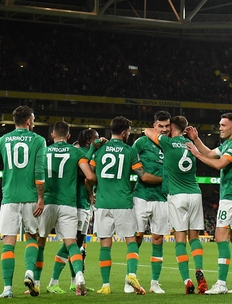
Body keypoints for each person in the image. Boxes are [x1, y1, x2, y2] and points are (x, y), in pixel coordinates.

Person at [0, 105, 47, 299]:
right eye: (34, 119)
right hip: (30, 198)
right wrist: (40, 198)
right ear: (28, 121)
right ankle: (30, 272)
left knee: (8, 242)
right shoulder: (39, 140)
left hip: (9, 199)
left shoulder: (2, 141)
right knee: (32, 237)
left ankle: (7, 289)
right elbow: (39, 172)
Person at [88, 116, 158, 295]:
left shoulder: (99, 149)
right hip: (124, 203)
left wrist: (92, 193)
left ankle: (105, 285)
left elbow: (89, 174)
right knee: (131, 241)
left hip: (102, 202)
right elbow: (143, 176)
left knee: (105, 244)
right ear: (125, 132)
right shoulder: (129, 151)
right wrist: (165, 179)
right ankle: (132, 274)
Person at [185, 112, 232, 295]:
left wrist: (196, 154)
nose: (219, 128)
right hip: (230, 195)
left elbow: (219, 164)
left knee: (221, 237)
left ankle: (221, 284)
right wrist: (197, 140)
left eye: (223, 125)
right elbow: (210, 153)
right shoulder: (228, 144)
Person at [144, 115, 205, 295]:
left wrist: (158, 130)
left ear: (172, 128)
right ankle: (199, 270)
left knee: (180, 239)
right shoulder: (191, 145)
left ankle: (187, 280)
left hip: (177, 196)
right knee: (194, 238)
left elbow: (148, 132)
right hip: (195, 193)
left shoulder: (167, 143)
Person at [34, 121, 95, 295]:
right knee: (72, 243)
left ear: (52, 135)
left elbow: (36, 176)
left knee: (41, 242)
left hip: (47, 202)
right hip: (68, 204)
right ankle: (79, 276)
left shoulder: (43, 151)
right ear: (69, 137)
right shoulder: (76, 152)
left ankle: (37, 282)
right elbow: (89, 176)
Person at [131, 110, 170, 294]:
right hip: (141, 196)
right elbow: (132, 162)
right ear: (154, 126)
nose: (163, 129)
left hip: (162, 199)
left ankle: (154, 282)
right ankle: (131, 278)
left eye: (166, 126)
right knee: (137, 237)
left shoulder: (170, 145)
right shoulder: (141, 142)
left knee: (158, 239)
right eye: (160, 126)